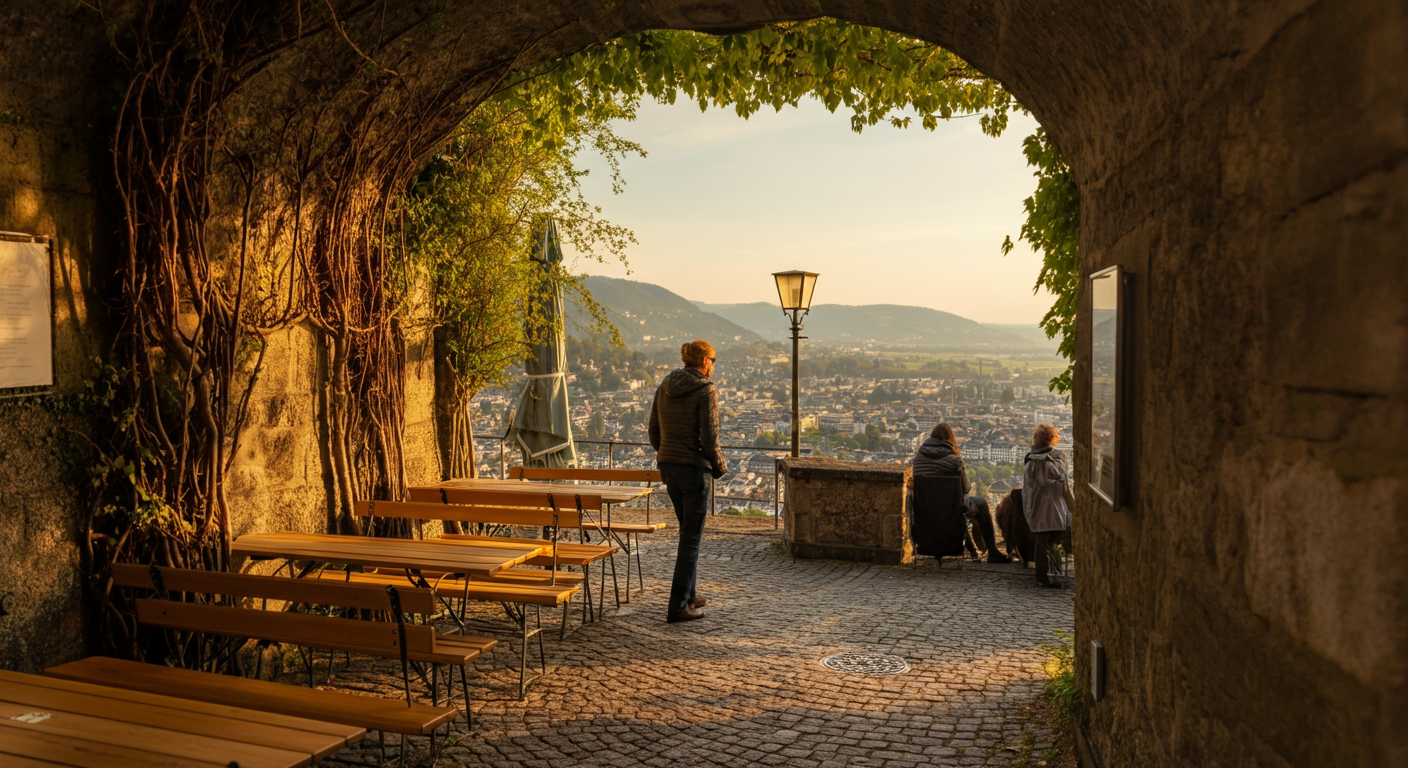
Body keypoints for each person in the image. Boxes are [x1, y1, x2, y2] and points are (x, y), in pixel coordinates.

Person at [648, 339, 727, 623]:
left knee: (687, 533)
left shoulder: (665, 385)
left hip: (669, 467)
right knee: (691, 539)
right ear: (704, 361)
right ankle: (678, 605)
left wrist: (667, 454)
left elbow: (653, 430)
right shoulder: (706, 389)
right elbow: (710, 436)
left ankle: (690, 595)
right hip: (694, 471)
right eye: (713, 361)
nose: (713, 366)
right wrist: (719, 467)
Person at [911, 423, 1013, 564]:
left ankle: (976, 549)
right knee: (982, 503)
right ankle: (992, 551)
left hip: (925, 510)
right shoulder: (955, 460)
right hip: (951, 510)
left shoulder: (918, 460)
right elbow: (966, 489)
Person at [1022, 423, 1072, 588]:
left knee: (1041, 539)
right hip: (1053, 505)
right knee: (1054, 535)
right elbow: (1062, 479)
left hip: (1035, 504)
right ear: (1053, 439)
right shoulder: (1057, 457)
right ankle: (1048, 574)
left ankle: (1042, 575)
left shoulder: (1029, 459)